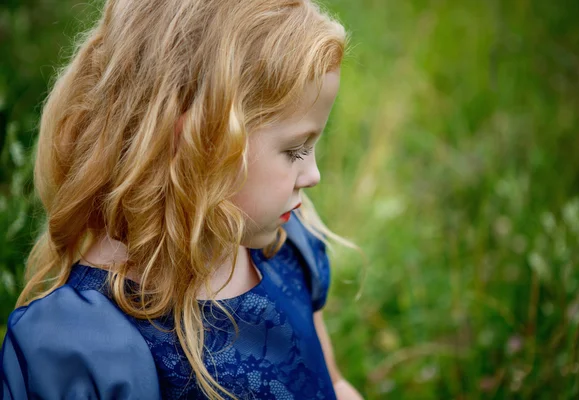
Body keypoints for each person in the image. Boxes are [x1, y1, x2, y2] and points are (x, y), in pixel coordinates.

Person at [0, 0, 364, 399]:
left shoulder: (285, 247)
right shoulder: (86, 341)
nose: (313, 176)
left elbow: (334, 383)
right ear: (198, 144)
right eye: (295, 149)